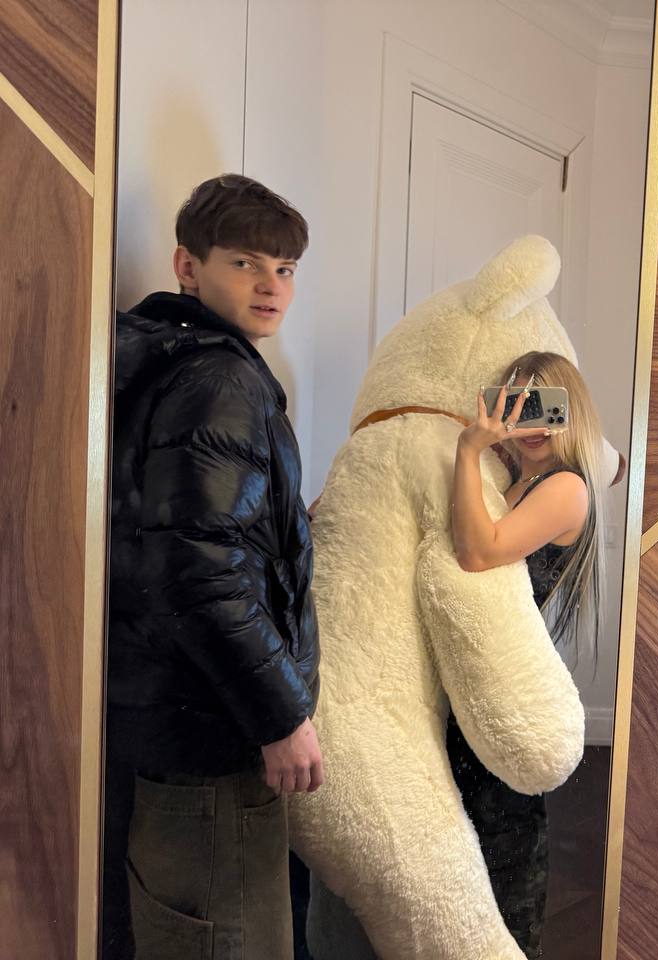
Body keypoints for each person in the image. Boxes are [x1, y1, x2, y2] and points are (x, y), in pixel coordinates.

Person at [103, 173, 324, 960]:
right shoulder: (220, 379)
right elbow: (198, 571)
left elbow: (185, 532)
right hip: (214, 740)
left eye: (285, 268)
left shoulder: (163, 359)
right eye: (245, 262)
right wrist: (281, 716)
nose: (272, 286)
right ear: (188, 267)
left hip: (170, 725)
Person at [448, 350, 608, 958]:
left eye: (547, 405)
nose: (533, 423)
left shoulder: (565, 486)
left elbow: (477, 553)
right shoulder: (514, 478)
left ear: (572, 410)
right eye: (519, 406)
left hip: (504, 682)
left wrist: (469, 450)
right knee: (471, 850)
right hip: (479, 674)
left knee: (502, 845)